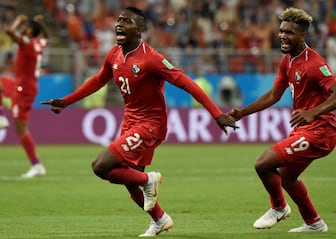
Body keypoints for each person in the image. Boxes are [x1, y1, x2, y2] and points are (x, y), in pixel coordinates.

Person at [41, 7, 237, 237]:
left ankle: (149, 179)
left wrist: (216, 113)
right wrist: (66, 101)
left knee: (101, 166)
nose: (119, 24)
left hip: (151, 124)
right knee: (127, 179)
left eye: (127, 21)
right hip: (130, 122)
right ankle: (160, 220)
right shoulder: (113, 54)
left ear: (140, 29)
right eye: (119, 20)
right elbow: (97, 80)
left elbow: (186, 83)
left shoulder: (152, 59)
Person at [229, 7, 336, 233]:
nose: (283, 35)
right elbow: (273, 95)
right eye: (282, 30)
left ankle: (279, 207)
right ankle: (314, 223)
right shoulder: (287, 61)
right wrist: (242, 112)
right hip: (305, 130)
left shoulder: (314, 63)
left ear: (303, 35)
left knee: (263, 163)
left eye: (290, 32)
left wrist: (314, 112)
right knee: (287, 178)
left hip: (320, 132)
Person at [4, 14, 49, 178]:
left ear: (31, 31)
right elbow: (45, 37)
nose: (24, 28)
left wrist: (18, 21)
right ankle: (2, 115)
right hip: (24, 85)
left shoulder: (27, 44)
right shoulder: (39, 43)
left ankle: (37, 165)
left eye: (27, 27)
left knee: (21, 128)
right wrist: (38, 23)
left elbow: (9, 31)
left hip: (23, 89)